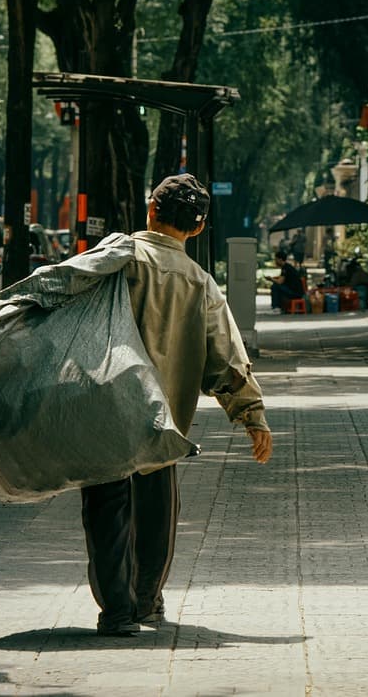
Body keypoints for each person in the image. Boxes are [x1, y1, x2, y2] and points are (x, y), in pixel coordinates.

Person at [81, 173, 273, 636]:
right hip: (162, 421)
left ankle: (118, 612)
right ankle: (146, 602)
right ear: (198, 228)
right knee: (157, 512)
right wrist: (252, 416)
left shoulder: (117, 257)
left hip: (105, 412)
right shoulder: (199, 283)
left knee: (107, 511)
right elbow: (225, 357)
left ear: (151, 210)